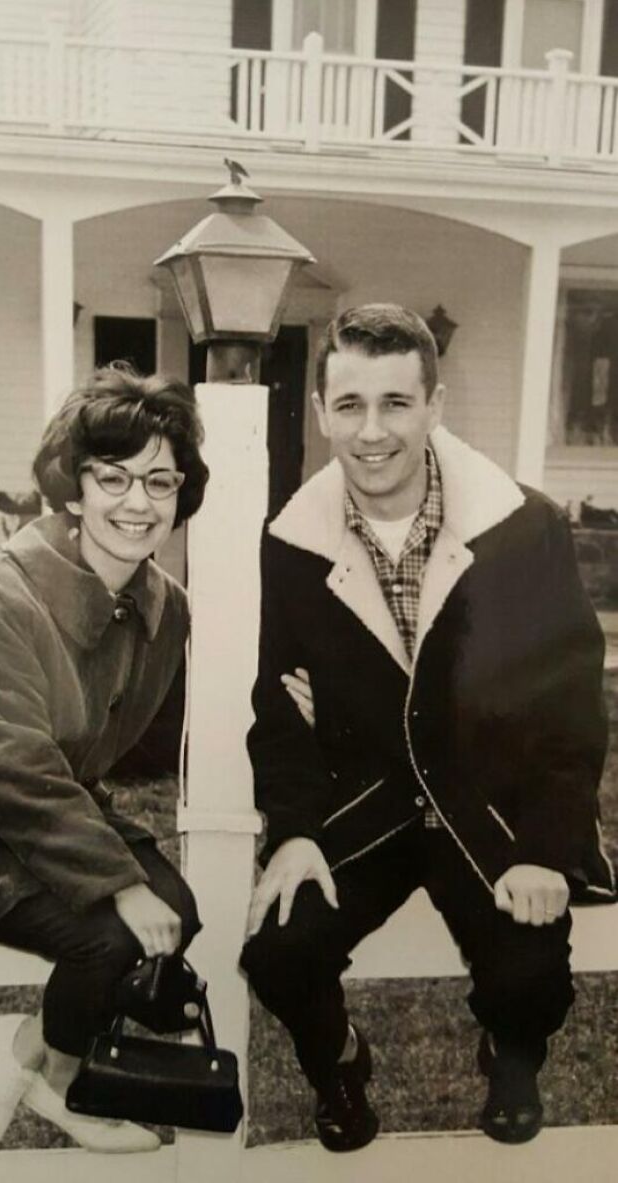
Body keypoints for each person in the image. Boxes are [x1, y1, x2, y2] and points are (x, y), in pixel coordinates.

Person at [240, 304, 615, 1152]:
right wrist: (295, 833)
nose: (371, 432)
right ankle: (339, 1063)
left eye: (396, 403)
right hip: (368, 808)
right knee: (278, 952)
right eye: (349, 405)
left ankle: (512, 1055)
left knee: (529, 974)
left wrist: (546, 848)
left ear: (435, 406)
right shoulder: (292, 541)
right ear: (321, 410)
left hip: (490, 809)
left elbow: (570, 707)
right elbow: (277, 705)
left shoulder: (524, 530)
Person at [0, 365, 209, 1153]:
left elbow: (146, 739)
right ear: (73, 488)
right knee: (110, 936)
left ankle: (23, 1045)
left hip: (52, 818)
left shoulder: (165, 605)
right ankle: (68, 1085)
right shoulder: (0, 593)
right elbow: (9, 766)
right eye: (111, 476)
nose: (138, 501)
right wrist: (116, 881)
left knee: (176, 907)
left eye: (160, 479)